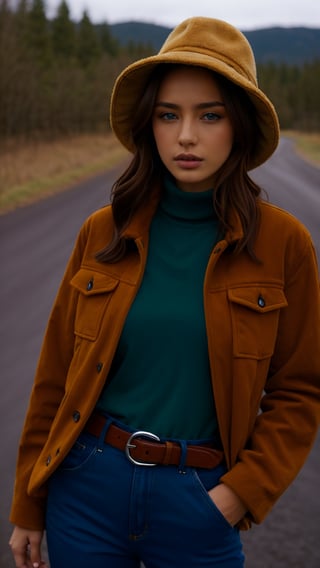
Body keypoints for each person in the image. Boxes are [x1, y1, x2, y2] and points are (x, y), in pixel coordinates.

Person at [9, 16, 320, 568]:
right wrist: (28, 503)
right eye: (168, 115)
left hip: (199, 499)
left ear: (240, 125)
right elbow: (56, 375)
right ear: (148, 124)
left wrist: (237, 494)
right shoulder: (103, 231)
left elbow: (300, 391)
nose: (186, 136)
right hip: (86, 490)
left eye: (211, 115)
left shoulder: (283, 244)